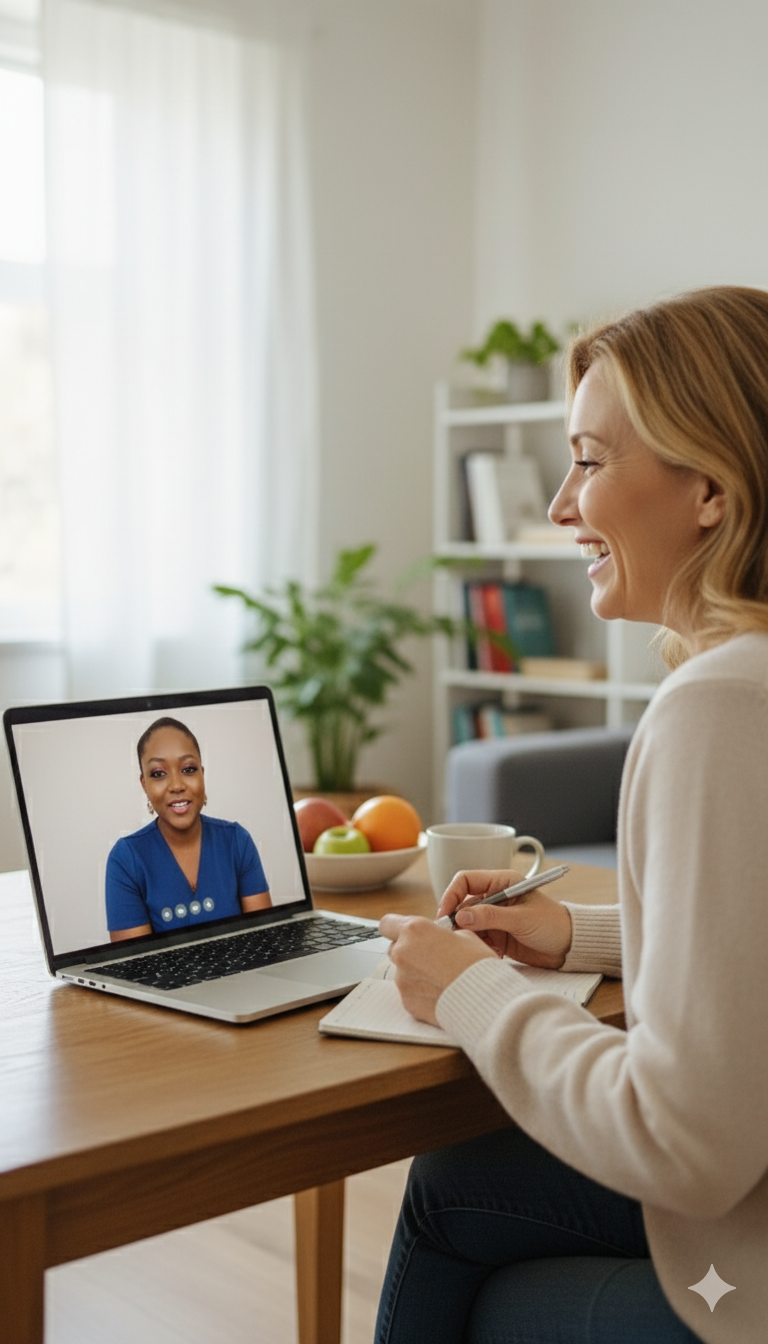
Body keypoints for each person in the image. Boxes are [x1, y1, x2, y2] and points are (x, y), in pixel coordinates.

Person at [376, 287, 768, 1344]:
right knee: (459, 1177)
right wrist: (579, 934)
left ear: (713, 491)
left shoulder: (724, 706)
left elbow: (689, 1144)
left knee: (486, 1283)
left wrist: (481, 992)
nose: (560, 507)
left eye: (590, 462)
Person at [106, 716, 271, 939]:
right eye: (158, 774)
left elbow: (265, 941)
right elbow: (133, 967)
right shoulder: (126, 859)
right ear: (144, 784)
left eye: (188, 769)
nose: (176, 785)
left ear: (202, 773)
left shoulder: (237, 842)